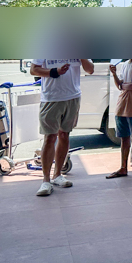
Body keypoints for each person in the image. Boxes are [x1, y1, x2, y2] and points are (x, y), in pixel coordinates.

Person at [29, 58, 94, 196]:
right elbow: (33, 69)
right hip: (51, 98)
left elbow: (90, 69)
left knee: (64, 135)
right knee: (50, 137)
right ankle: (45, 180)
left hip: (73, 96)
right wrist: (54, 72)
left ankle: (57, 175)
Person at [106, 59, 132, 181]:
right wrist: (114, 74)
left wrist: (122, 85)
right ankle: (123, 167)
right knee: (124, 137)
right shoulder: (125, 64)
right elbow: (120, 85)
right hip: (122, 104)